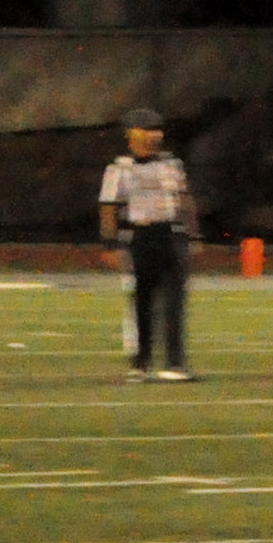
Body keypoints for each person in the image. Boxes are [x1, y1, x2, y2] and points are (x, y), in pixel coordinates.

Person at [98, 107, 195, 381]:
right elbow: (108, 207)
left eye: (155, 131)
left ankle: (175, 363)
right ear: (132, 135)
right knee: (143, 302)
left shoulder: (171, 164)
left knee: (174, 301)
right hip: (141, 236)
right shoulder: (119, 168)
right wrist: (110, 244)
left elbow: (184, 199)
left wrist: (192, 235)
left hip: (169, 235)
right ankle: (141, 362)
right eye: (146, 131)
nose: (153, 136)